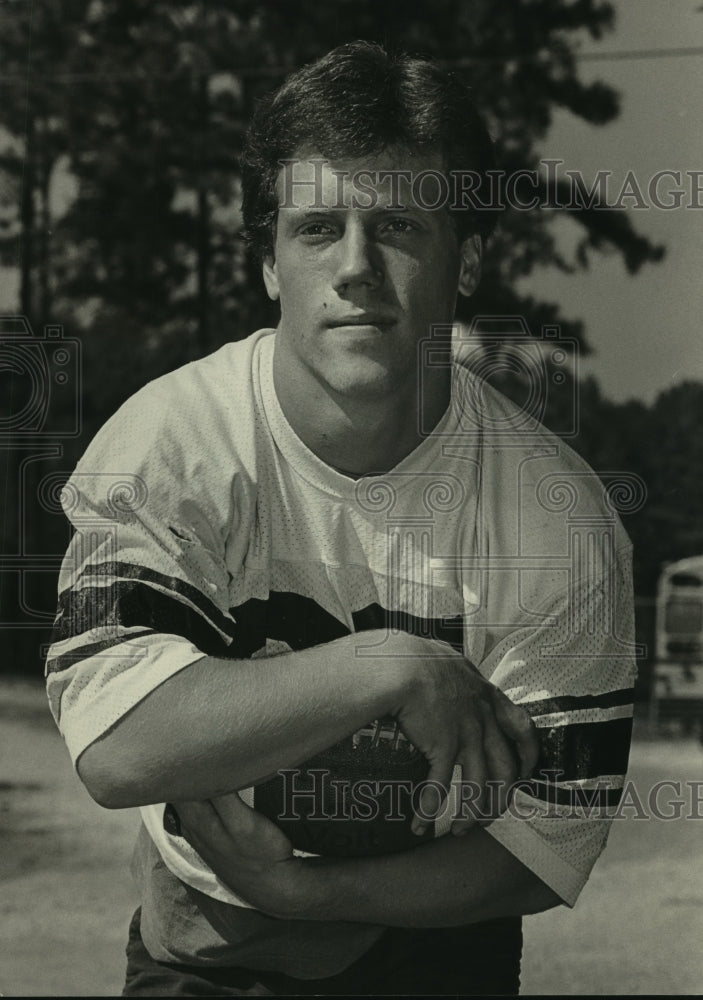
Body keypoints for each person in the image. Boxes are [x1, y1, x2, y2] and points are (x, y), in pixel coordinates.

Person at [46, 41, 637, 996]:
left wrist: (305, 892)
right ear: (270, 264)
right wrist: (389, 667)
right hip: (207, 944)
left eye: (398, 224)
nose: (355, 268)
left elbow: (548, 839)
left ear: (469, 257)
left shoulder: (554, 515)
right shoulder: (172, 443)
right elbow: (115, 748)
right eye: (317, 227)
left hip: (439, 944)